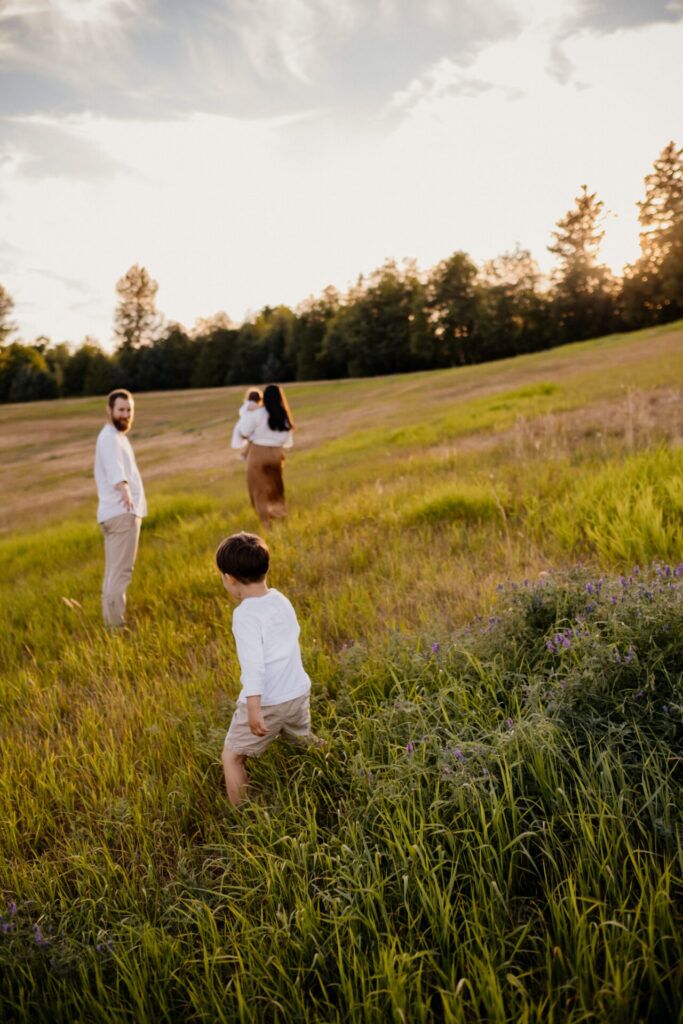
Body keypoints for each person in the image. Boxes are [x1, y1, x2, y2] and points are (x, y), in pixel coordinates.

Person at [216, 531, 321, 805]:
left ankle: (243, 815)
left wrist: (253, 707)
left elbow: (253, 666)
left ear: (230, 578)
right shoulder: (280, 599)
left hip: (268, 703)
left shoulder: (245, 615)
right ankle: (335, 762)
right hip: (297, 693)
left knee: (232, 756)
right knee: (302, 740)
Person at [94, 388, 147, 629]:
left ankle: (111, 624)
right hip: (121, 512)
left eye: (129, 410)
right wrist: (124, 488)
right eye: (121, 410)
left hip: (115, 513)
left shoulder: (116, 436)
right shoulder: (110, 438)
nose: (125, 414)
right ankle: (116, 629)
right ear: (110, 411)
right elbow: (115, 469)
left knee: (113, 574)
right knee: (120, 575)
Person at [235, 384, 295, 526]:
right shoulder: (284, 415)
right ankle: (281, 517)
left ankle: (266, 523)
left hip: (258, 453)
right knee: (276, 487)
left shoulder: (257, 413)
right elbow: (287, 442)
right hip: (277, 454)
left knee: (258, 489)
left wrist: (248, 412)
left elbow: (243, 431)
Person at [230, 387, 262, 460]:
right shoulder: (252, 404)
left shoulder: (245, 405)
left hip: (240, 428)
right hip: (245, 429)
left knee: (252, 440)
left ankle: (245, 454)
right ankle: (245, 455)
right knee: (255, 438)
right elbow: (255, 410)